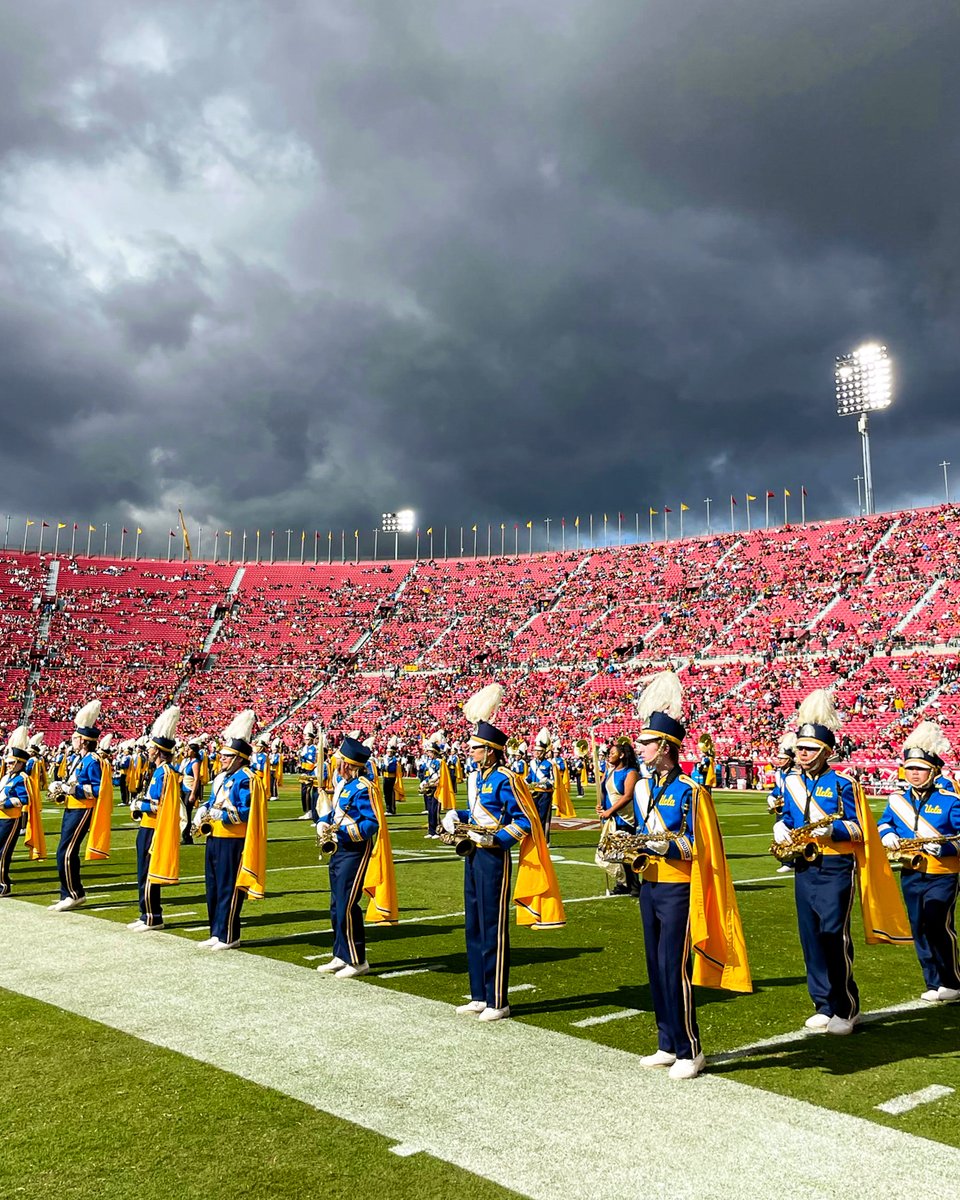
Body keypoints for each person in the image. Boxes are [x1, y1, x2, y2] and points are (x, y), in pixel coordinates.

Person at [631, 672, 752, 1079]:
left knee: (673, 966)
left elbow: (701, 845)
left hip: (680, 889)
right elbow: (641, 832)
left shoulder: (691, 790)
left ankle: (689, 1049)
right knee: (653, 965)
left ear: (665, 746)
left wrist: (666, 846)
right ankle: (666, 1041)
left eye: (646, 742)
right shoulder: (644, 789)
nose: (640, 748)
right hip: (649, 885)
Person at [770, 688, 910, 1035]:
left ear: (825, 752)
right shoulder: (790, 782)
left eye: (809, 749)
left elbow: (860, 828)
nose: (801, 754)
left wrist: (830, 831)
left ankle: (846, 1006)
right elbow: (789, 817)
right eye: (799, 748)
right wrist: (779, 827)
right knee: (811, 938)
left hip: (835, 867)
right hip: (804, 866)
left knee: (835, 937)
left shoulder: (843, 782)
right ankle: (823, 1002)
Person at [443, 683, 565, 1022]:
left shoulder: (506, 777)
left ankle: (498, 999)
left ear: (492, 750)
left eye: (476, 747)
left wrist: (498, 840)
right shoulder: (474, 778)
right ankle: (479, 994)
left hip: (493, 856)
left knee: (493, 924)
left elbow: (524, 820)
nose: (470, 751)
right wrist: (459, 818)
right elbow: (479, 813)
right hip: (472, 853)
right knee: (473, 923)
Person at [878, 721, 960, 1002]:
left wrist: (946, 849)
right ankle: (932, 981)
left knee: (939, 923)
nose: (914, 773)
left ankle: (952, 980)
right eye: (910, 768)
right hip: (910, 872)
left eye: (920, 768)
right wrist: (887, 833)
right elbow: (883, 823)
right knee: (919, 926)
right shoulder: (897, 800)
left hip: (943, 873)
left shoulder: (950, 801)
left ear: (933, 771)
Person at [315, 735, 397, 977]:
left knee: (347, 904)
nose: (335, 764)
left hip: (355, 851)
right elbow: (335, 815)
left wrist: (341, 832)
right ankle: (341, 953)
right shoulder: (344, 784)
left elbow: (372, 823)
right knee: (335, 904)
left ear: (348, 764)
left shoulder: (365, 787)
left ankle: (357, 959)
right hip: (339, 849)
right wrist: (323, 823)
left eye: (339, 761)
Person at [193, 709, 267, 950]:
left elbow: (248, 811)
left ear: (238, 757)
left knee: (229, 887)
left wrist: (221, 815)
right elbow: (214, 801)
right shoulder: (223, 777)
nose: (221, 759)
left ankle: (229, 934)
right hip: (214, 835)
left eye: (226, 756)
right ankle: (216, 931)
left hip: (233, 839)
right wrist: (203, 810)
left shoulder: (246, 777)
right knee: (213, 885)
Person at [46, 699, 113, 911]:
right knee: (64, 851)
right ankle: (69, 892)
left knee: (65, 852)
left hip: (83, 808)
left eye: (76, 737)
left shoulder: (92, 760)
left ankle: (73, 893)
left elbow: (95, 791)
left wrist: (69, 789)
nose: (72, 739)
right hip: (73, 806)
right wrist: (61, 786)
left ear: (84, 740)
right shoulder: (79, 758)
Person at [128, 706, 182, 931]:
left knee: (149, 872)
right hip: (147, 825)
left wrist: (140, 804)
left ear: (159, 751)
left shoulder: (165, 772)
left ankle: (153, 916)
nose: (147, 750)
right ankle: (145, 913)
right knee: (142, 872)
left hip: (154, 827)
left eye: (150, 747)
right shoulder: (159, 771)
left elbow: (161, 806)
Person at [596, 737, 640, 896]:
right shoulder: (609, 771)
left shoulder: (631, 772)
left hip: (624, 818)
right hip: (611, 817)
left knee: (627, 853)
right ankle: (622, 883)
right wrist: (601, 806)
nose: (609, 755)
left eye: (612, 753)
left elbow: (627, 796)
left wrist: (610, 811)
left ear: (621, 755)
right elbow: (602, 790)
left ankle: (634, 886)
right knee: (613, 853)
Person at [0, 727, 40, 896]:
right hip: (1, 817)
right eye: (7, 762)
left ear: (20, 763)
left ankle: (3, 884)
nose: (8, 765)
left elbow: (25, 799)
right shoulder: (6, 777)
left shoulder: (22, 778)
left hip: (11, 818)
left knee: (2, 852)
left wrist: (5, 804)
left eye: (11, 762)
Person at [767, 731, 798, 874]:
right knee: (780, 833)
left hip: (792, 806)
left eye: (782, 758)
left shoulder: (796, 773)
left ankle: (791, 860)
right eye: (779, 758)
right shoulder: (779, 773)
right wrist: (771, 797)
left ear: (789, 760)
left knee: (793, 833)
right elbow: (777, 790)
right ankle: (786, 859)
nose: (779, 761)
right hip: (781, 807)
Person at [527, 729, 555, 843]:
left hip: (545, 793)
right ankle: (535, 838)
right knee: (534, 816)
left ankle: (544, 840)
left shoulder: (549, 764)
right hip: (533, 793)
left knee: (543, 817)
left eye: (539, 751)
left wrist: (543, 784)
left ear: (543, 752)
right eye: (535, 751)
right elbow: (530, 777)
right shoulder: (532, 763)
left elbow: (552, 781)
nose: (536, 753)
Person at [418, 732, 444, 839]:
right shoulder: (429, 762)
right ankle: (431, 830)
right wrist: (425, 782)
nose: (428, 753)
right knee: (430, 809)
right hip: (430, 786)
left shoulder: (439, 762)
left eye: (430, 751)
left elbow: (440, 775)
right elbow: (427, 773)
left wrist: (432, 782)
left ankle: (437, 830)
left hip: (436, 787)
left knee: (435, 809)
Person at [298, 721, 319, 821]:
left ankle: (310, 811)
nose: (306, 741)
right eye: (305, 739)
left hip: (311, 771)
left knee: (307, 792)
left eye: (308, 739)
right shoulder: (304, 748)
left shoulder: (313, 748)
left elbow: (313, 759)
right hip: (304, 770)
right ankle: (306, 810)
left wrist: (304, 755)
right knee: (303, 792)